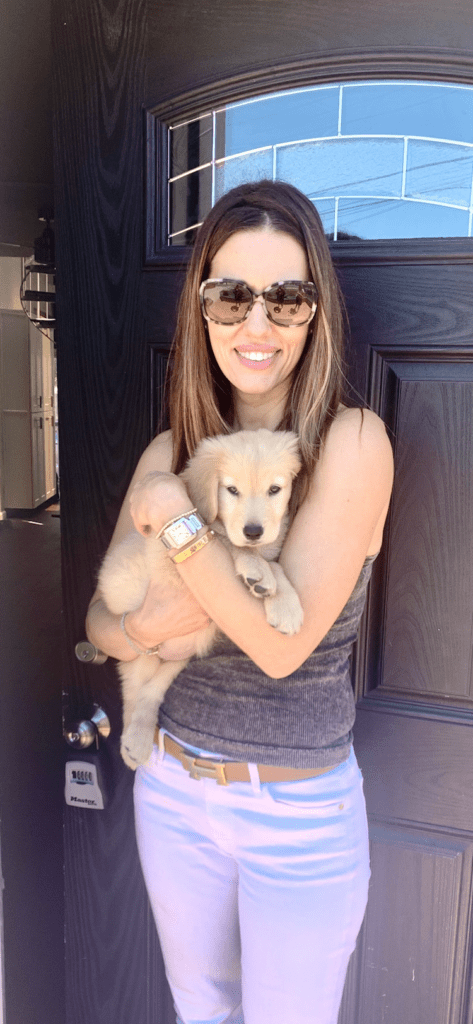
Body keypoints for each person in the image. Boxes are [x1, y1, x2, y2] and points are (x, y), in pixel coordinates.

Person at [86, 179, 394, 1024]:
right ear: (202, 309)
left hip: (296, 813)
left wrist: (180, 522)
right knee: (200, 1014)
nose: (256, 325)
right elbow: (102, 624)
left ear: (315, 311)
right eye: (231, 297)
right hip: (176, 790)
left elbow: (277, 645)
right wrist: (141, 625)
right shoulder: (169, 447)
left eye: (285, 298)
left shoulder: (349, 443)